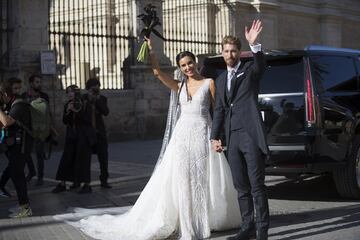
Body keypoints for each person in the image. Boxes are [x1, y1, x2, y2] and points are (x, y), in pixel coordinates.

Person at [54, 37, 242, 239]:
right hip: (181, 138)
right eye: (183, 65)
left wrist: (218, 137)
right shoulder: (178, 86)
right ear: (180, 67)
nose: (188, 67)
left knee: (203, 179)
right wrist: (152, 51)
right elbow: (157, 72)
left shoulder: (209, 83)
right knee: (183, 180)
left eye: (190, 63)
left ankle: (205, 220)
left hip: (203, 134)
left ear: (195, 62)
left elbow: (219, 111)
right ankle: (188, 225)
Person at [210, 20, 270, 240]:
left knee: (256, 186)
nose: (230, 54)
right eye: (226, 51)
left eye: (233, 50)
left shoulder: (249, 71)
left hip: (251, 136)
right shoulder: (221, 78)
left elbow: (261, 67)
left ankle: (262, 231)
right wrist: (214, 137)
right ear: (222, 52)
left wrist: (255, 46)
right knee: (241, 186)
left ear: (239, 52)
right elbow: (220, 111)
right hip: (231, 138)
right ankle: (247, 227)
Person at [52, 85, 95, 194]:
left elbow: (86, 120)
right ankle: (62, 184)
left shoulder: (85, 104)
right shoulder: (68, 104)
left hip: (83, 136)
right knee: (66, 159)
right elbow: (65, 121)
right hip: (71, 136)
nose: (70, 94)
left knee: (83, 160)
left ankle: (87, 185)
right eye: (68, 92)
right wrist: (68, 111)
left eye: (71, 92)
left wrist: (75, 110)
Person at [0, 77, 33, 218]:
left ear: (5, 94)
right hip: (14, 146)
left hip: (22, 145)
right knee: (14, 172)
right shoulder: (9, 105)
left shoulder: (19, 105)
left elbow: (7, 122)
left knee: (17, 175)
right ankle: (23, 205)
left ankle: (25, 208)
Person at [82, 78, 111, 188]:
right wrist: (89, 99)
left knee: (103, 158)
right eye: (93, 87)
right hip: (88, 133)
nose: (96, 89)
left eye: (98, 86)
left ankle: (104, 180)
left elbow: (106, 112)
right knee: (86, 159)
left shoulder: (102, 98)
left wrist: (97, 99)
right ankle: (86, 182)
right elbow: (82, 115)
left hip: (100, 132)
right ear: (88, 88)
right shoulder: (83, 98)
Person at [22, 74, 50, 185]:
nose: (39, 84)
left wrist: (49, 129)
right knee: (26, 153)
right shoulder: (24, 96)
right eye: (37, 82)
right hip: (28, 129)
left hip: (40, 129)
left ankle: (40, 177)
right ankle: (32, 171)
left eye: (40, 82)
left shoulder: (44, 96)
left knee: (40, 154)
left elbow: (48, 113)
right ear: (31, 83)